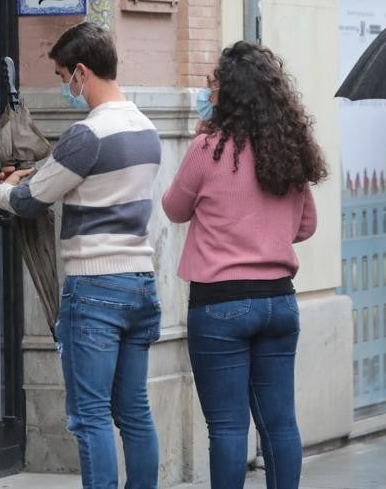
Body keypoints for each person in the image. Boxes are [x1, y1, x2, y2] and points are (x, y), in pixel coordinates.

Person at [0, 23, 163, 489]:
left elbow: (30, 202)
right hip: (141, 283)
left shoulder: (85, 135)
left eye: (61, 75)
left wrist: (3, 190)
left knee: (89, 416)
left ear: (82, 72)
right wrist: (42, 173)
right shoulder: (146, 128)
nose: (63, 85)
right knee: (133, 412)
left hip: (94, 288)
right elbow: (85, 180)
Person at [161, 41, 327, 489]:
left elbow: (174, 209)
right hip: (278, 301)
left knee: (229, 427)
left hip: (219, 305)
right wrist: (266, 233)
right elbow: (306, 225)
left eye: (211, 83)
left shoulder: (208, 149)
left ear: (229, 92)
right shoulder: (287, 149)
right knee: (280, 422)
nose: (206, 89)